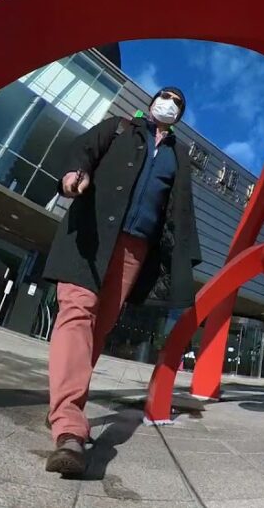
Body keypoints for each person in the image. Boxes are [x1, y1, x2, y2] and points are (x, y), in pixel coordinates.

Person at [40, 86, 202, 476]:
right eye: (165, 96)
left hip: (135, 249)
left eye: (178, 102)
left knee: (101, 325)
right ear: (151, 103)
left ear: (180, 115)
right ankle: (69, 428)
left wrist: (182, 255)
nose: (170, 103)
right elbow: (83, 149)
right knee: (77, 312)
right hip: (93, 235)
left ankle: (64, 402)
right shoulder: (119, 128)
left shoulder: (179, 155)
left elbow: (179, 208)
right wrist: (74, 174)